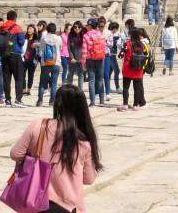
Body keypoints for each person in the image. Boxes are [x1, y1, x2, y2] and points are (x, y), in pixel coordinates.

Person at [10, 84, 101, 213]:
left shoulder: (38, 126)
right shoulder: (83, 142)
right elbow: (89, 178)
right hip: (68, 206)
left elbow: (15, 154)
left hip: (35, 201)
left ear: (57, 104)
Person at [0, 11, 28, 108]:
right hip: (15, 54)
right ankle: (18, 100)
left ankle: (8, 101)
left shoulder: (1, 28)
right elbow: (22, 42)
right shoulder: (17, 27)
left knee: (6, 79)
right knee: (18, 78)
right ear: (15, 18)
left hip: (4, 55)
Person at [82, 18, 109, 107]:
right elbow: (105, 47)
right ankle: (101, 101)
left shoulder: (86, 35)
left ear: (90, 26)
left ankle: (92, 102)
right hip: (101, 58)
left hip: (90, 59)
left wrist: (83, 62)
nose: (86, 26)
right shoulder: (101, 34)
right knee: (100, 80)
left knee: (91, 81)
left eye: (87, 25)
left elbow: (84, 50)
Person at [120, 27, 148, 110]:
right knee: (137, 88)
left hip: (128, 68)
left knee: (126, 87)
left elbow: (121, 54)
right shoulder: (142, 44)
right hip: (138, 68)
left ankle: (125, 104)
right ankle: (135, 105)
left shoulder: (127, 43)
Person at [37, 23, 63, 107]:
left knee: (42, 82)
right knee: (54, 83)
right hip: (56, 62)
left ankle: (40, 101)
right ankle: (52, 101)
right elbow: (61, 48)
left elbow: (41, 50)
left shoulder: (43, 38)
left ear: (47, 29)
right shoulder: (58, 38)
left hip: (45, 63)